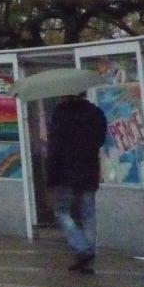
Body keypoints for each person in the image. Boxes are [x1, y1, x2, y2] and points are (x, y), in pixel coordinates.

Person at [46, 91, 108, 273]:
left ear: (66, 94)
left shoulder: (61, 114)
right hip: (89, 170)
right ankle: (88, 258)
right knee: (88, 215)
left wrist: (51, 179)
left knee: (62, 211)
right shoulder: (96, 113)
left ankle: (82, 248)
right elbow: (100, 140)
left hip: (65, 174)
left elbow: (54, 148)